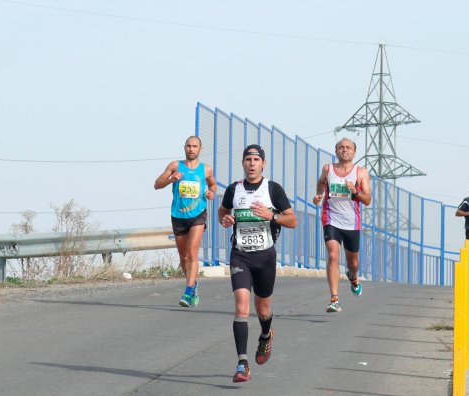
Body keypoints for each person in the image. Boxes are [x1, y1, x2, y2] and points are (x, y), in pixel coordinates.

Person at [218, 144, 297, 383]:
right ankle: (242, 363)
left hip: (265, 257)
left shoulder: (272, 189)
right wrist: (226, 218)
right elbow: (222, 211)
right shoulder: (234, 189)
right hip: (240, 255)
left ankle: (265, 335)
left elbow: (293, 220)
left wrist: (271, 215)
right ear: (243, 163)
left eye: (256, 159)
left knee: (263, 309)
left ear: (263, 164)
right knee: (242, 307)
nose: (252, 163)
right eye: (248, 159)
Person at [154, 135, 217, 307]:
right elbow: (157, 184)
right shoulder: (175, 166)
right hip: (178, 215)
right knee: (183, 256)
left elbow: (213, 185)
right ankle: (193, 285)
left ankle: (188, 290)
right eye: (188, 146)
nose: (191, 149)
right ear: (184, 148)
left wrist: (210, 192)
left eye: (195, 146)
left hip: (198, 214)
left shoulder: (206, 169)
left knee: (192, 252)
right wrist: (171, 179)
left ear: (200, 149)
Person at [313, 138, 372, 313]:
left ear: (354, 152)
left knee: (353, 263)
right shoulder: (328, 169)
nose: (344, 150)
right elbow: (321, 183)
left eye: (348, 148)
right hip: (331, 219)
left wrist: (355, 191)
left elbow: (367, 200)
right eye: (341, 147)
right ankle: (334, 299)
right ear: (336, 151)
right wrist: (319, 195)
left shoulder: (361, 173)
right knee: (333, 254)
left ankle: (353, 277)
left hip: (352, 222)